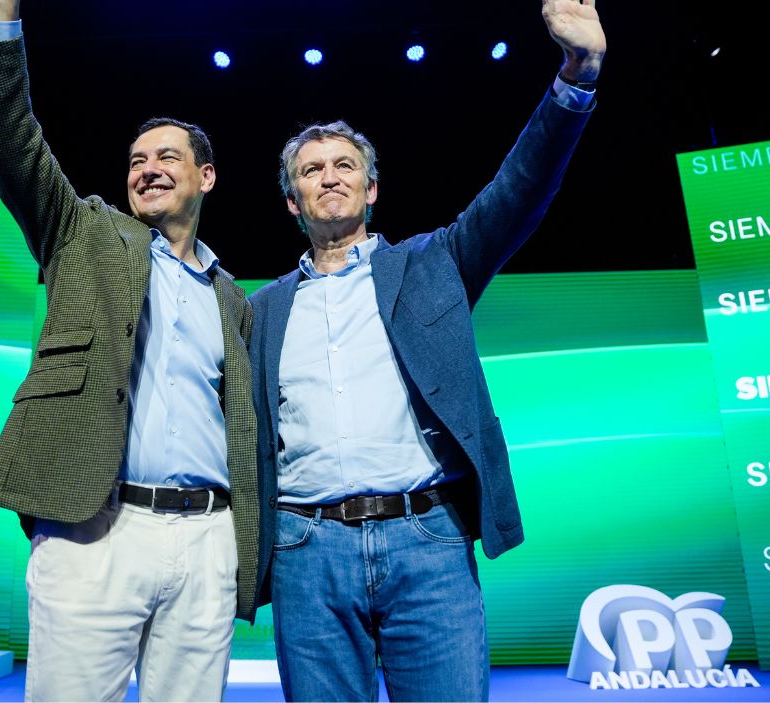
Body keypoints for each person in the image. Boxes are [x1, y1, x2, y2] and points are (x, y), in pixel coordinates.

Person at [248, 2, 606, 700]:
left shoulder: (434, 262)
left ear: (371, 188)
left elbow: (520, 190)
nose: (329, 176)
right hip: (305, 552)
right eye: (312, 169)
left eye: (344, 164)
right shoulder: (258, 310)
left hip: (428, 542)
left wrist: (578, 73)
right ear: (292, 200)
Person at [0, 1, 258, 700]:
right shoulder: (85, 233)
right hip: (98, 528)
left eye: (166, 157)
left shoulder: (233, 298)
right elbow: (11, 143)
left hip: (208, 536)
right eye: (136, 160)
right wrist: (3, 18)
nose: (147, 169)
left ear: (206, 177)